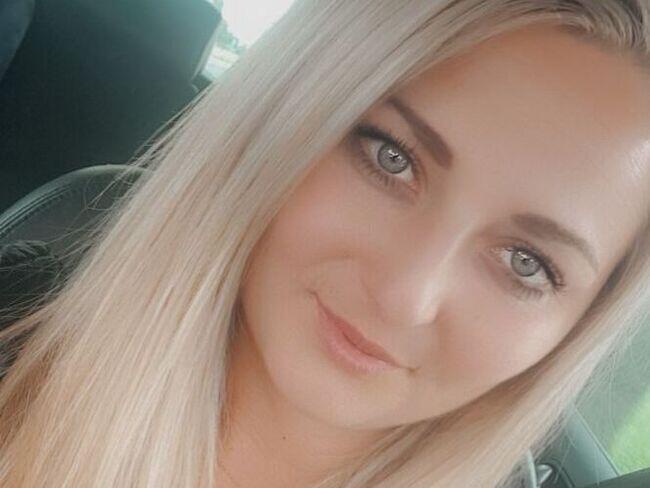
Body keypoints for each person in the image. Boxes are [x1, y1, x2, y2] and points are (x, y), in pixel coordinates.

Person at [0, 1, 648, 487]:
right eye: (392, 158)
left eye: (526, 264)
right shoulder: (15, 334)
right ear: (286, 116)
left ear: (577, 326)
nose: (404, 296)